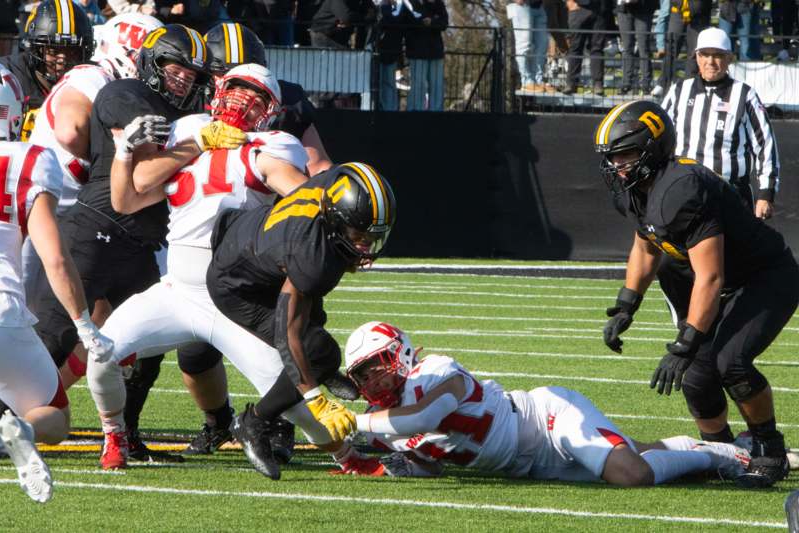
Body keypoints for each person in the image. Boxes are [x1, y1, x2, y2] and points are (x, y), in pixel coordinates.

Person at [86, 64, 345, 471]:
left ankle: (353, 456)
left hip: (233, 301)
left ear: (271, 111)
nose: (243, 100)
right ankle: (114, 435)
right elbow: (128, 197)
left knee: (304, 406)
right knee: (101, 353)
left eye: (256, 96)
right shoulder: (189, 128)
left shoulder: (274, 144)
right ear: (218, 90)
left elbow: (296, 191)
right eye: (237, 88)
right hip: (177, 289)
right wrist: (133, 151)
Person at [30, 24, 238, 467]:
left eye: (192, 76)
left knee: (142, 353)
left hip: (142, 244)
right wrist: (196, 145)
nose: (183, 80)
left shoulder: (189, 114)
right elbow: (142, 172)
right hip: (95, 232)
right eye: (175, 69)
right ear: (151, 63)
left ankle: (127, 438)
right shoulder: (124, 92)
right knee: (52, 338)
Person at [596, 99, 798, 488]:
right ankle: (723, 453)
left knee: (731, 363)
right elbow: (646, 243)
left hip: (766, 277)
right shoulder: (639, 187)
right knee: (696, 379)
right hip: (725, 281)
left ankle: (770, 450)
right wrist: (627, 304)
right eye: (612, 157)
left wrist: (683, 345)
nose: (616, 166)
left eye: (625, 155)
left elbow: (710, 277)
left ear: (652, 148)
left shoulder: (681, 189)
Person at [328, 321, 749, 484]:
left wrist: (354, 426)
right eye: (363, 374)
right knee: (631, 456)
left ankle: (719, 455)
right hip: (525, 465)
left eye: (377, 365)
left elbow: (423, 416)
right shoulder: (383, 419)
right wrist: (363, 459)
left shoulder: (433, 372)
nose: (372, 378)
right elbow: (430, 461)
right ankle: (692, 448)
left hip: (545, 419)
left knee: (630, 474)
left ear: (399, 353)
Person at [205, 162, 397, 479]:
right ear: (336, 219)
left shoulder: (338, 184)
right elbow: (286, 332)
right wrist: (315, 398)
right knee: (318, 351)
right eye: (359, 235)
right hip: (237, 286)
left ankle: (319, 373)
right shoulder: (311, 252)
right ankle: (254, 423)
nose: (365, 246)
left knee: (315, 316)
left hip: (253, 243)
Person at [199, 22, 336, 461]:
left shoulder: (283, 117)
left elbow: (318, 167)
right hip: (195, 234)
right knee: (193, 355)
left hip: (263, 240)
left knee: (294, 331)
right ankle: (215, 422)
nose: (242, 96)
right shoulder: (188, 108)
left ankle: (275, 420)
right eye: (229, 77)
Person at [0, 76, 111, 503]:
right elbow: (55, 257)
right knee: (56, 419)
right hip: (3, 314)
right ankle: (20, 433)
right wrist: (84, 326)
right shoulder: (27, 160)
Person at [661, 27, 778, 218]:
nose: (710, 62)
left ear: (729, 58)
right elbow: (659, 137)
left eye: (718, 55)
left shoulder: (745, 95)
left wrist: (766, 193)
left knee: (735, 248)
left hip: (730, 194)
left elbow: (765, 144)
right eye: (705, 55)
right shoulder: (678, 91)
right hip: (684, 191)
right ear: (696, 57)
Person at [205, 22, 334, 177]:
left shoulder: (288, 101)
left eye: (245, 81)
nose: (238, 92)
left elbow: (317, 167)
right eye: (225, 73)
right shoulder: (192, 103)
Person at [0, 0, 94, 141]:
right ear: (35, 50)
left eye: (72, 51)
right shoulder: (7, 75)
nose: (62, 59)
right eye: (53, 50)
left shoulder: (93, 79)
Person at [651, 0, 711, 96]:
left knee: (694, 52)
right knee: (671, 47)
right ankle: (663, 83)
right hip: (678, 10)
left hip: (699, 13)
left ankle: (689, 85)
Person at [405, 0, 447, 111]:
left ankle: (436, 113)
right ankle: (414, 111)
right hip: (417, 51)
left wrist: (432, 22)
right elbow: (408, 22)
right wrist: (424, 22)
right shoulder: (410, 3)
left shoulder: (438, 3)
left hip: (435, 52)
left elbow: (444, 23)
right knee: (418, 85)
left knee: (437, 85)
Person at [507, 0, 552, 94]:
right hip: (521, 5)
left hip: (538, 6)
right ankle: (527, 82)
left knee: (543, 44)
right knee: (524, 44)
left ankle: (538, 81)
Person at [562, 0, 605, 95]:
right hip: (578, 8)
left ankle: (598, 84)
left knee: (597, 49)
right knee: (575, 48)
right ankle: (571, 84)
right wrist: (569, 2)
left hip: (599, 9)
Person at [616, 0, 657, 95]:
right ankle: (626, 83)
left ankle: (646, 84)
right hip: (624, 10)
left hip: (644, 10)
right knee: (627, 48)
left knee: (644, 48)